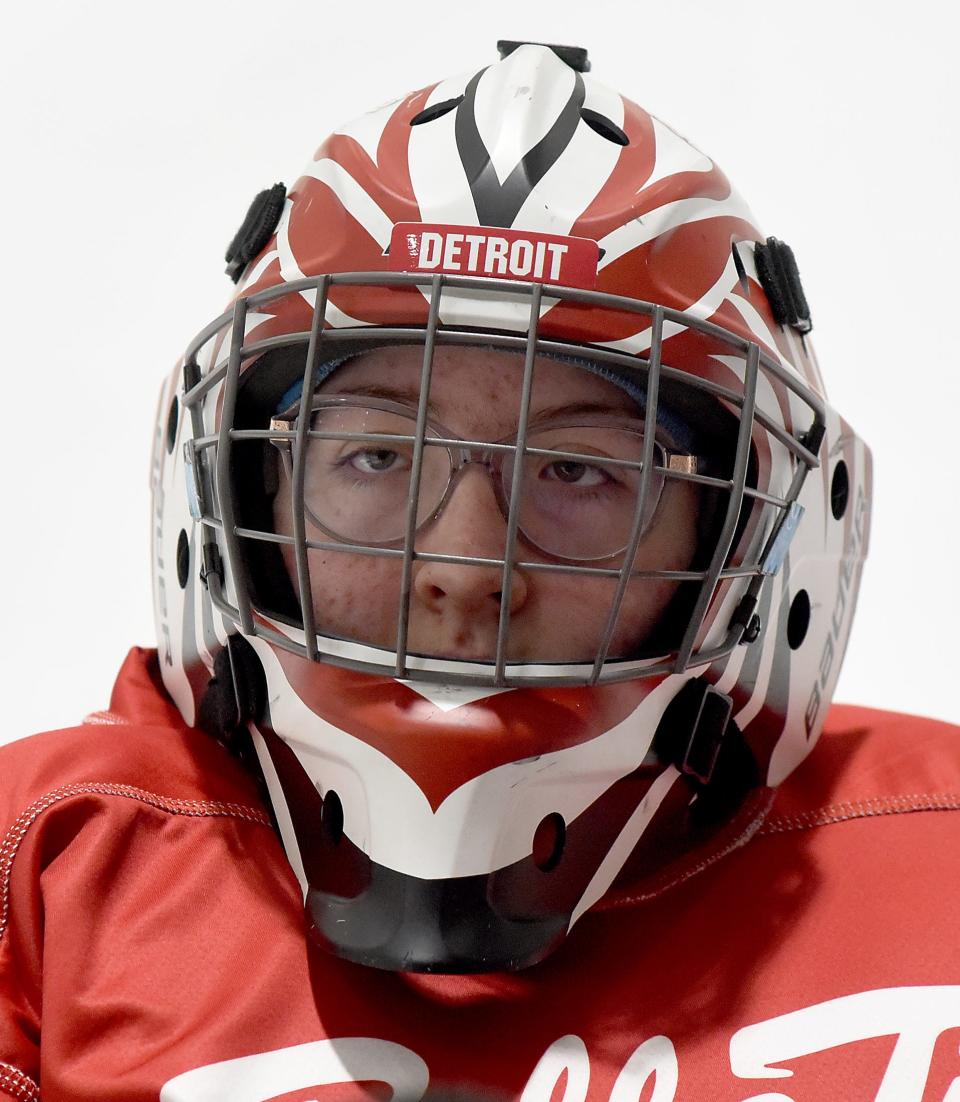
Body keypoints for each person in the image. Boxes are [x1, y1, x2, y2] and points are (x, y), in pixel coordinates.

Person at [1, 40, 958, 1102]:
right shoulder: (55, 870)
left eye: (577, 469)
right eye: (375, 454)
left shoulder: (939, 871)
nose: (462, 565)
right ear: (240, 486)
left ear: (737, 540)